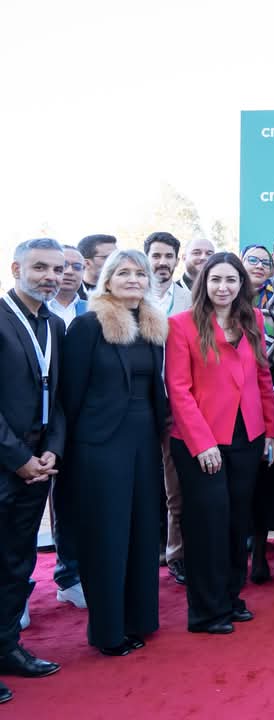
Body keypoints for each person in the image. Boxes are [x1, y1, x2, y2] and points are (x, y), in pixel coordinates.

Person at [60, 249, 169, 656]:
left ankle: (140, 618)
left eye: (139, 273)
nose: (133, 279)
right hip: (100, 446)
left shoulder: (152, 325)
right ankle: (108, 632)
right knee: (107, 535)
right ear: (107, 279)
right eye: (123, 272)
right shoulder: (89, 325)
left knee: (143, 530)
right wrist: (69, 451)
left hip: (144, 441)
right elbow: (70, 395)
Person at [165, 252, 274, 634]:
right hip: (201, 442)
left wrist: (271, 431)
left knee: (235, 522)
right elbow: (178, 390)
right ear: (204, 283)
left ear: (241, 284)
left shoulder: (254, 319)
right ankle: (206, 611)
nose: (223, 287)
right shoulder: (181, 325)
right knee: (207, 526)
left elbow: (262, 378)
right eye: (216, 279)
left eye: (231, 279)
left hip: (248, 437)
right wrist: (203, 444)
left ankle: (230, 598)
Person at [0, 238, 66, 702]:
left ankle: (7, 647)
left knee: (17, 561)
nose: (50, 277)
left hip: (38, 464)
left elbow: (58, 396)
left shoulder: (55, 324)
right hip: (8, 460)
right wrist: (17, 458)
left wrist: (52, 450)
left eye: (57, 270)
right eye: (40, 267)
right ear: (15, 268)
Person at [143, 231, 193, 586]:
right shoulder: (131, 297)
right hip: (135, 408)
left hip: (177, 407)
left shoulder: (191, 299)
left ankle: (177, 553)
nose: (162, 262)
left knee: (176, 487)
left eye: (168, 256)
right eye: (156, 256)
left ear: (177, 260)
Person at [240, 244, 274, 583]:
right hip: (229, 403)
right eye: (252, 260)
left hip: (271, 397)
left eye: (264, 262)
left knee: (264, 479)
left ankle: (259, 552)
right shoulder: (225, 297)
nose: (259, 266)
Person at [43, 246, 89, 609]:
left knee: (74, 501)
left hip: (82, 422)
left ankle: (71, 574)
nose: (68, 272)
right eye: (63, 266)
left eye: (76, 266)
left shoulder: (93, 309)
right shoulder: (36, 311)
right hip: (35, 420)